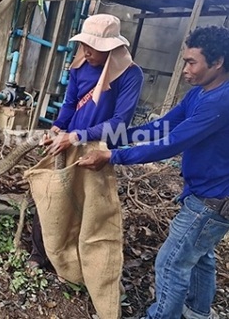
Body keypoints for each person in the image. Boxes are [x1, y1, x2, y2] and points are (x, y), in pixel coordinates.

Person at [78, 25, 229, 319]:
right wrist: (123, 136)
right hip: (208, 193)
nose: (185, 69)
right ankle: (197, 312)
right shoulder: (201, 93)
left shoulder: (220, 102)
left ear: (218, 62)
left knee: (171, 263)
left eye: (191, 62)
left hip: (211, 200)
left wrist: (113, 156)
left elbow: (170, 143)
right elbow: (164, 126)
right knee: (200, 256)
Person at [29, 13, 144, 269]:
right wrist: (58, 128)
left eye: (93, 47)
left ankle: (75, 260)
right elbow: (70, 104)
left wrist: (78, 136)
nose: (87, 51)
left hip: (97, 150)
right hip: (68, 141)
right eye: (84, 45)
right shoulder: (80, 65)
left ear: (112, 48)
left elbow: (119, 122)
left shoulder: (129, 75)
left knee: (86, 207)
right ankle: (40, 253)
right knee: (50, 195)